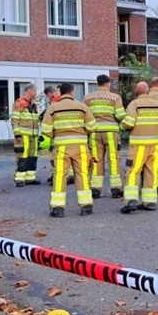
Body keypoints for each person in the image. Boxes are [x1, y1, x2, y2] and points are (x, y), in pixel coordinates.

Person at [41, 83, 97, 217]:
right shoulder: (82, 107)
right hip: (80, 147)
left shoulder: (53, 108)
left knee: (60, 176)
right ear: (72, 93)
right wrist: (82, 133)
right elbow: (92, 126)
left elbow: (45, 129)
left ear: (61, 93)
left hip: (61, 147)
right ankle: (86, 206)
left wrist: (56, 135)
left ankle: (57, 208)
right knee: (82, 175)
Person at [121, 81, 158, 213]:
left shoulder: (134, 104)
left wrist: (122, 126)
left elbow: (128, 122)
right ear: (148, 91)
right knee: (151, 172)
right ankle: (150, 202)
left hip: (138, 145)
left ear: (136, 93)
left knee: (133, 171)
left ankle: (131, 201)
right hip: (153, 145)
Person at [83, 74, 126, 200]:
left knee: (96, 160)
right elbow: (120, 115)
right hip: (111, 133)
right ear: (108, 84)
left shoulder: (88, 98)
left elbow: (84, 115)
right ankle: (116, 189)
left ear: (98, 83)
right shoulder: (115, 97)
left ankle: (95, 189)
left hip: (95, 133)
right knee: (113, 160)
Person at [10, 83, 42, 186]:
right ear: (30, 91)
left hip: (33, 135)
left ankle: (30, 178)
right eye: (35, 91)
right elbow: (14, 119)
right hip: (23, 136)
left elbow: (35, 119)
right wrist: (17, 134)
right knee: (22, 157)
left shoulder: (33, 103)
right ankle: (19, 179)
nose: (36, 93)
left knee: (33, 157)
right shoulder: (19, 102)